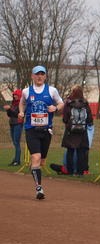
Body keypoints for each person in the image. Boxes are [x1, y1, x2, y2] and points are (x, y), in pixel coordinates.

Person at [18, 65, 64, 200]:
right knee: (36, 157)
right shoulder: (26, 91)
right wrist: (21, 112)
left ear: (45, 76)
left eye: (42, 74)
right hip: (31, 130)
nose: (39, 76)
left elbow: (61, 103)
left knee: (42, 160)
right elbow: (22, 103)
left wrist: (55, 108)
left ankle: (34, 168)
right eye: (37, 74)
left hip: (46, 130)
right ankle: (39, 188)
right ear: (32, 76)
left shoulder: (52, 90)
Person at [61, 85, 93, 175]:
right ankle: (80, 172)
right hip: (82, 131)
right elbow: (89, 118)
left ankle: (70, 171)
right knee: (81, 152)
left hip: (70, 131)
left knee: (70, 152)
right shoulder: (85, 103)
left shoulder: (69, 103)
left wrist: (68, 123)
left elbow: (65, 118)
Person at [4, 89, 24, 166]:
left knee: (16, 142)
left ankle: (17, 161)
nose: (15, 96)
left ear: (20, 96)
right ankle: (16, 159)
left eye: (16, 95)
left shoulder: (21, 104)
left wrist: (9, 109)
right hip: (12, 124)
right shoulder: (13, 103)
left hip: (18, 124)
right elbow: (10, 115)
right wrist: (8, 110)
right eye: (14, 95)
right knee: (15, 142)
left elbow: (17, 114)